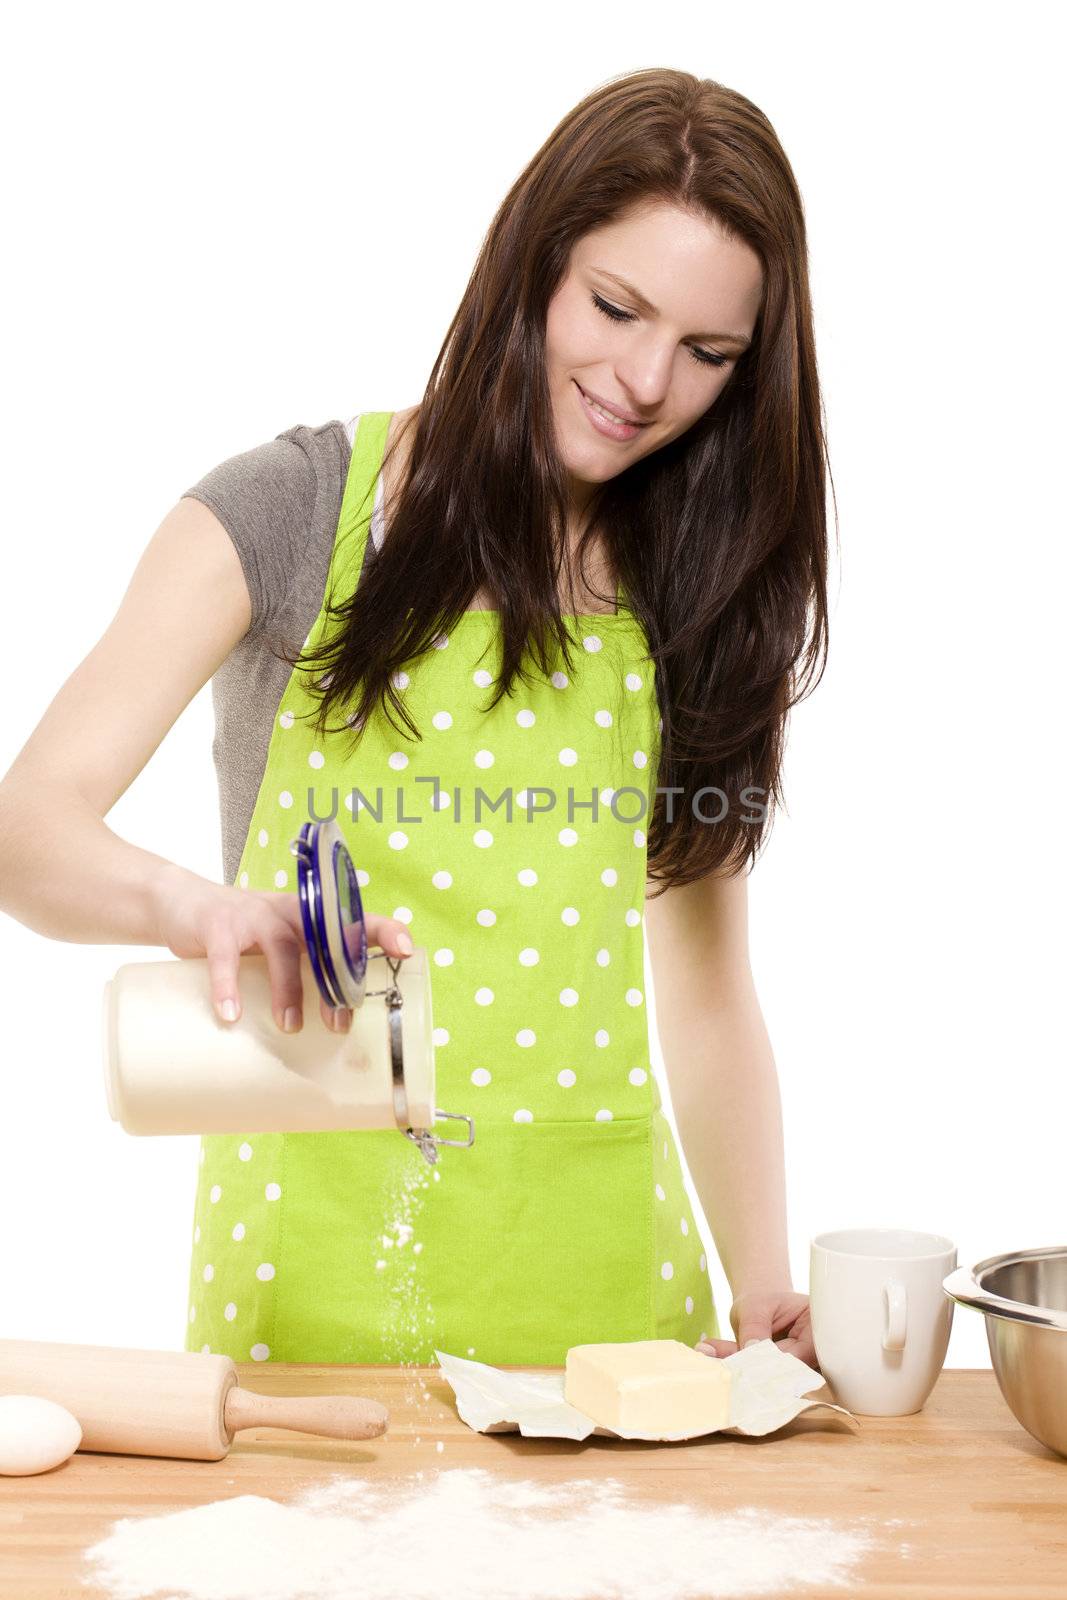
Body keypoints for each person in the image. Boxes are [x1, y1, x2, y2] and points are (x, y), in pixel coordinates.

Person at [0, 67, 826, 1370]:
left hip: (622, 1342)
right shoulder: (291, 512)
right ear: (532, 265)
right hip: (323, 1325)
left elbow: (709, 994)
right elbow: (27, 830)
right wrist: (197, 913)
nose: (647, 379)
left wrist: (764, 1280)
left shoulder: (698, 580)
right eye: (615, 307)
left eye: (709, 353)